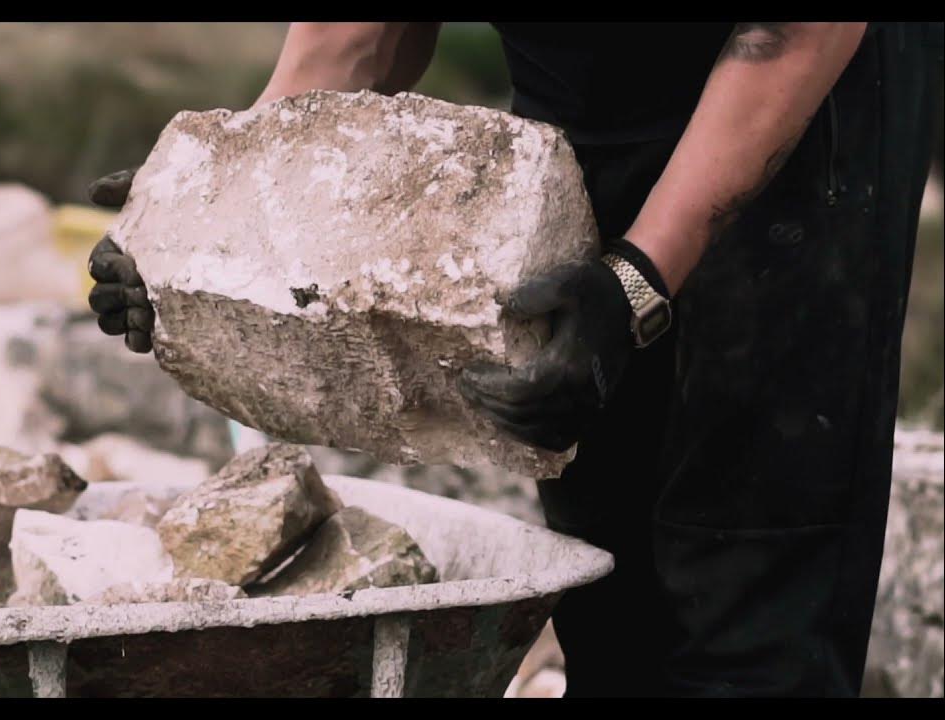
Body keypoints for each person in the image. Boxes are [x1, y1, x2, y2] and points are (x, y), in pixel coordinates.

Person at [84, 22, 943, 697]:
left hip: (802, 105)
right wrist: (208, 206)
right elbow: (352, 37)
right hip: (583, 98)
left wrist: (636, 280)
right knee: (609, 590)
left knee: (746, 597)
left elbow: (802, 31)